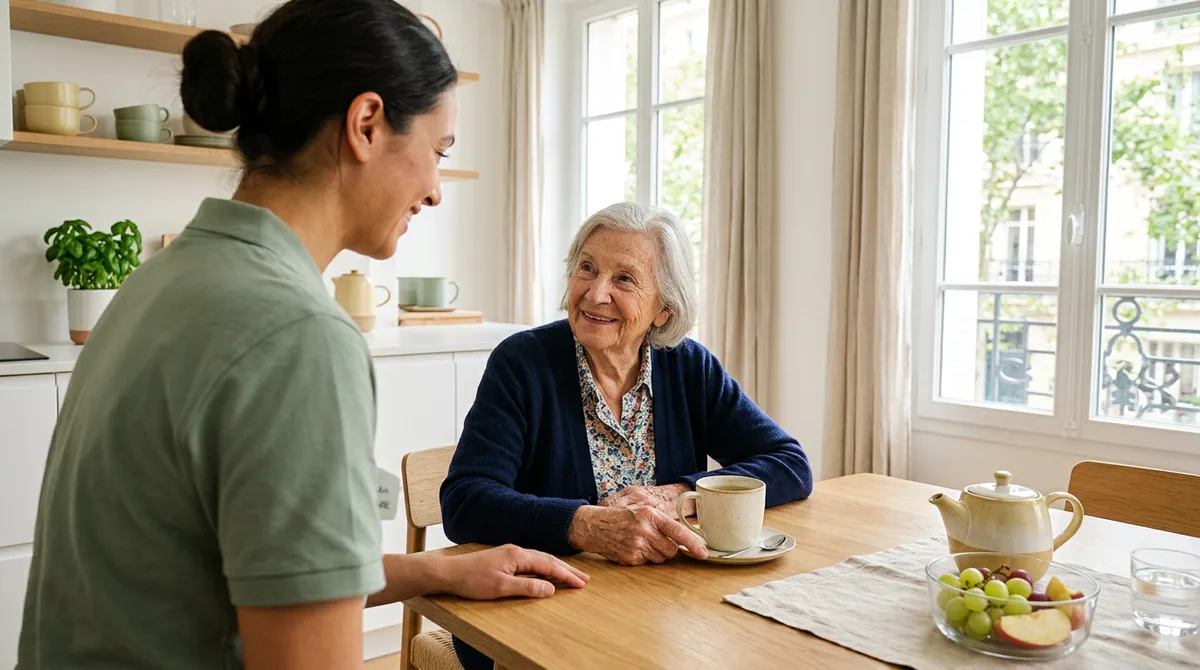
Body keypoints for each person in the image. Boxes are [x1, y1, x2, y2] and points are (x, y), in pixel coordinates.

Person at [17, 2, 586, 668]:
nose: (436, 190)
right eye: (437, 151)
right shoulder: (298, 336)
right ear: (366, 124)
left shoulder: (159, 283)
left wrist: (436, 571)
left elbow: (221, 570)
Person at [439, 202, 814, 669]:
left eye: (624, 279)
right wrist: (587, 525)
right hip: (534, 613)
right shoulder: (522, 363)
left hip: (660, 609)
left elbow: (788, 462)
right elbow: (465, 502)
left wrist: (680, 494)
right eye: (587, 268)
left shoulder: (688, 366)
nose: (595, 293)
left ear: (664, 309)